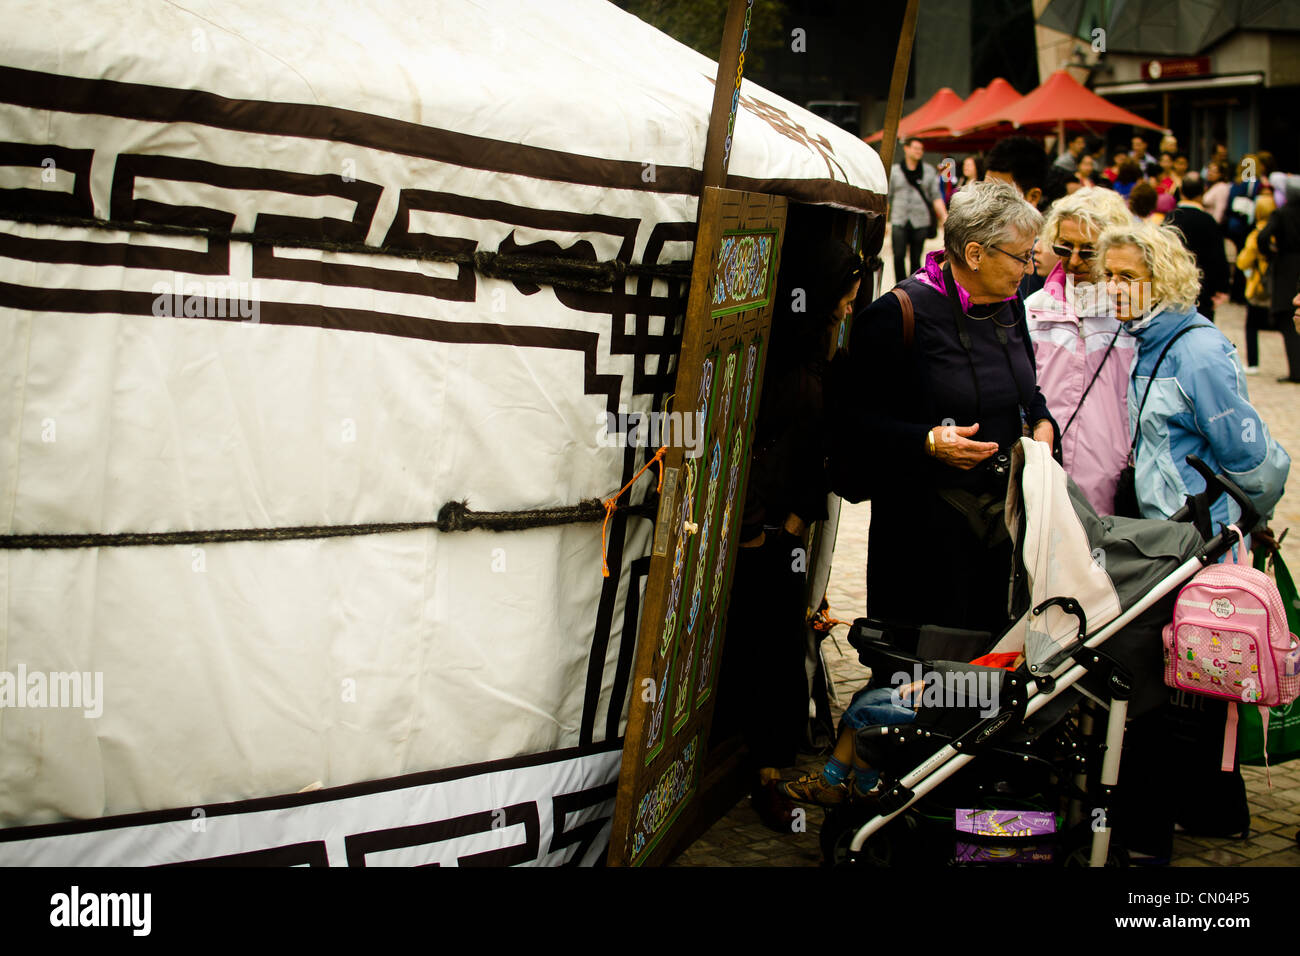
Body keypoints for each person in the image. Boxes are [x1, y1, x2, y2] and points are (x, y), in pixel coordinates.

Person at [846, 180, 1056, 637]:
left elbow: (1027, 390)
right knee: (923, 673)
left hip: (1000, 525)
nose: (1029, 266)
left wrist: (1041, 421)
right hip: (923, 534)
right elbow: (850, 422)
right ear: (976, 253)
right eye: (1021, 256)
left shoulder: (1009, 304)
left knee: (987, 661)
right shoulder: (897, 313)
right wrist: (925, 441)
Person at [716, 238, 863, 831]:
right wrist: (750, 526)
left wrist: (801, 516)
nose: (849, 310)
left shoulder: (818, 350)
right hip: (750, 528)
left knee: (777, 648)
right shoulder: (773, 353)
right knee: (746, 647)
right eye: (845, 299)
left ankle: (768, 770)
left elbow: (814, 446)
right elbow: (736, 438)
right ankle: (741, 761)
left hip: (786, 530)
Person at [1095, 222, 1290, 527]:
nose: (1112, 288)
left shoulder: (1200, 354)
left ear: (1162, 281)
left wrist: (1250, 522)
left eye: (1128, 278)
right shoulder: (1143, 336)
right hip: (1169, 532)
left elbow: (1251, 459)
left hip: (1205, 536)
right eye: (1108, 275)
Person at [1025, 188, 1136, 514]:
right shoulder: (1034, 309)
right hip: (1045, 475)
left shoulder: (1132, 315)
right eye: (1064, 247)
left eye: (1088, 251)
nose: (1073, 260)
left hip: (1111, 481)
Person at [985, 135, 1050, 295]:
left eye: (1001, 196)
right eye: (984, 192)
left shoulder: (1048, 260)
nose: (986, 203)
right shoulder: (978, 247)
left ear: (1033, 197)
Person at [1164, 175, 1230, 322]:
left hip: (1172, 289)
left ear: (1181, 192)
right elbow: (1218, 257)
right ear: (1202, 193)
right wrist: (1222, 288)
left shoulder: (1170, 218)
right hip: (1202, 289)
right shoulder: (1208, 220)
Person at [1258, 175, 1300, 382]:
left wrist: (1270, 252)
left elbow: (1263, 236)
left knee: (1288, 320)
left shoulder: (1281, 214)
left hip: (1286, 268)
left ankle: (1296, 370)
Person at [890, 137, 947, 284]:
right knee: (898, 255)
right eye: (915, 148)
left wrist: (945, 218)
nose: (918, 151)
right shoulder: (895, 171)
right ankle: (899, 286)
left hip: (920, 220)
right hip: (899, 218)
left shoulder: (928, 171)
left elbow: (936, 197)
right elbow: (887, 198)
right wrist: (883, 221)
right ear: (906, 148)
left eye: (921, 149)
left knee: (916, 257)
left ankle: (912, 287)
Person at [1235, 193, 1277, 373]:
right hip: (1278, 283)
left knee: (1251, 324)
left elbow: (1243, 261)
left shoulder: (1256, 234)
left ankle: (1253, 363)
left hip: (1259, 283)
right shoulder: (1281, 231)